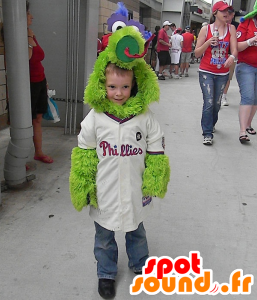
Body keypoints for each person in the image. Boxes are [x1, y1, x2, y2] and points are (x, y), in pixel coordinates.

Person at [69, 26, 170, 299]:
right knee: (104, 237)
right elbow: (84, 153)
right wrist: (83, 183)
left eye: (125, 87)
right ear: (102, 85)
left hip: (135, 188)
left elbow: (156, 149)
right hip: (105, 191)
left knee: (136, 230)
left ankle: (140, 265)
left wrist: (154, 178)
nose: (118, 92)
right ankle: (106, 273)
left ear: (134, 85)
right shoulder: (95, 118)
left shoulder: (144, 118)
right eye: (112, 86)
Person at [195, 1, 237, 145]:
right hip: (206, 71)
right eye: (223, 11)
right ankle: (207, 133)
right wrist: (207, 43)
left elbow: (234, 49)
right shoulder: (206, 29)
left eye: (229, 11)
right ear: (215, 13)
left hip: (222, 73)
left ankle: (211, 123)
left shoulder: (231, 28)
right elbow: (196, 53)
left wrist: (232, 57)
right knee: (209, 102)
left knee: (217, 103)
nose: (227, 14)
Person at [27, 1, 53, 163]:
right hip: (26, 85)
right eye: (28, 14)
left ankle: (39, 152)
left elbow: (38, 59)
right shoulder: (18, 34)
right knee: (24, 121)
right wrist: (29, 36)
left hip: (39, 81)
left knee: (37, 118)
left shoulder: (31, 33)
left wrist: (45, 81)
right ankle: (19, 159)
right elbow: (26, 57)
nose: (32, 16)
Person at [235, 0, 257, 144]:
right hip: (246, 65)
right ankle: (242, 131)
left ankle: (248, 124)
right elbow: (237, 46)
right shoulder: (247, 23)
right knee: (248, 97)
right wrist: (251, 41)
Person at [221, 7, 239, 106]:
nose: (227, 16)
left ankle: (223, 96)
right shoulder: (219, 24)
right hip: (219, 54)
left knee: (228, 77)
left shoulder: (237, 26)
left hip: (231, 54)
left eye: (229, 14)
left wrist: (233, 55)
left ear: (233, 15)